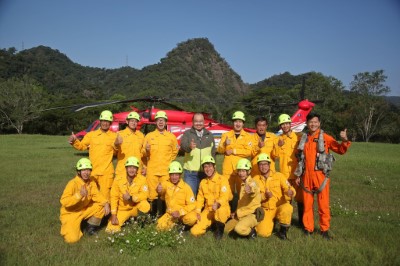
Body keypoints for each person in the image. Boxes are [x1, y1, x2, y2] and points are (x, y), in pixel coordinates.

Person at [295, 113, 351, 240]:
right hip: (306, 176)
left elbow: (340, 150)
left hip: (321, 176)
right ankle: (308, 228)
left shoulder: (325, 137)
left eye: (315, 122)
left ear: (319, 123)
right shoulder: (303, 138)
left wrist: (345, 140)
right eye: (310, 122)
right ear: (307, 123)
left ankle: (324, 230)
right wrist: (298, 175)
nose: (313, 124)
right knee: (307, 205)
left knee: (323, 204)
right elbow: (299, 158)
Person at [68, 110, 120, 200]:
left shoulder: (114, 136)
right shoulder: (91, 135)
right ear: (100, 121)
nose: (105, 123)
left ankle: (106, 214)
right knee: (91, 197)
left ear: (110, 123)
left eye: (107, 121)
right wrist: (74, 141)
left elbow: (116, 153)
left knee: (105, 198)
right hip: (92, 172)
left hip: (106, 173)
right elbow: (81, 146)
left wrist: (116, 145)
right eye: (103, 121)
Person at [60, 158, 110, 243]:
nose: (86, 173)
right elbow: (64, 201)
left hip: (84, 210)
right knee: (72, 240)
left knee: (101, 205)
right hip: (71, 214)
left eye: (88, 170)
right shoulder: (72, 184)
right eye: (83, 170)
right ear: (78, 172)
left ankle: (90, 228)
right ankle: (68, 225)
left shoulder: (91, 182)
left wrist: (106, 203)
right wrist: (79, 195)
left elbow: (97, 195)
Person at [142, 111, 179, 217]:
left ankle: (163, 216)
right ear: (155, 122)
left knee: (164, 193)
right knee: (152, 194)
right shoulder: (149, 136)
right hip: (152, 170)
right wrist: (146, 150)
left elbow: (175, 151)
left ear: (166, 122)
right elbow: (143, 153)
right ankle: (152, 216)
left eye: (163, 120)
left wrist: (168, 161)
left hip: (165, 171)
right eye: (159, 120)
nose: (161, 122)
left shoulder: (171, 137)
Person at [254, 153, 295, 240]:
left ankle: (282, 232)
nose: (263, 167)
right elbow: (254, 197)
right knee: (263, 233)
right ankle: (271, 222)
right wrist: (264, 196)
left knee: (287, 208)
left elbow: (288, 188)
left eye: (265, 164)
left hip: (279, 206)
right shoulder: (255, 180)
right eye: (260, 164)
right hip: (266, 209)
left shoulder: (279, 176)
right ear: (258, 166)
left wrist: (290, 192)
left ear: (269, 165)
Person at [217, 111, 252, 212]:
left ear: (243, 123)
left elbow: (248, 151)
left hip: (242, 170)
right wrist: (224, 144)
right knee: (228, 192)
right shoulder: (226, 135)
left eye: (240, 121)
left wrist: (234, 151)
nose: (238, 123)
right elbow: (219, 150)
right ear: (233, 122)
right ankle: (229, 212)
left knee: (243, 191)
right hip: (228, 169)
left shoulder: (247, 136)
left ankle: (242, 212)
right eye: (236, 121)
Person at [272, 114, 303, 227]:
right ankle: (286, 221)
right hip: (285, 175)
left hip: (297, 174)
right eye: (282, 124)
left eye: (286, 124)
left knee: (300, 199)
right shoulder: (278, 139)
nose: (285, 126)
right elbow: (274, 156)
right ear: (280, 126)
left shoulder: (298, 138)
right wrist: (278, 146)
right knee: (286, 198)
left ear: (290, 124)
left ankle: (301, 222)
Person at [105, 156, 150, 233]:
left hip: (135, 207)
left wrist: (131, 198)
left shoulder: (142, 179)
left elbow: (145, 194)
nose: (131, 170)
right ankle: (125, 219)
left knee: (145, 205)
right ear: (126, 168)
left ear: (137, 169)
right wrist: (113, 214)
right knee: (111, 229)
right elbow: (114, 197)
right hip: (123, 209)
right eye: (129, 167)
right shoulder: (118, 180)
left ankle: (140, 223)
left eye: (134, 168)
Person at [190, 156, 231, 240]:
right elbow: (200, 198)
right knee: (194, 231)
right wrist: (197, 211)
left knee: (220, 212)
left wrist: (218, 203)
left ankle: (219, 231)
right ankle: (211, 225)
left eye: (210, 166)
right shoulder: (203, 182)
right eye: (205, 167)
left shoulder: (222, 179)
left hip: (221, 208)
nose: (208, 169)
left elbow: (225, 195)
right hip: (208, 210)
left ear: (214, 167)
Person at [224, 159, 262, 239]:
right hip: (242, 214)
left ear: (248, 171)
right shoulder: (242, 184)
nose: (241, 173)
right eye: (239, 171)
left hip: (252, 214)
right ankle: (241, 228)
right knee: (226, 229)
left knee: (239, 229)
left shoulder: (252, 182)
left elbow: (254, 190)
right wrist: (236, 212)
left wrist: (251, 191)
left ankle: (251, 232)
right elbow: (242, 202)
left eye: (243, 171)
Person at [180, 113, 216, 196]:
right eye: (196, 121)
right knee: (190, 197)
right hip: (190, 173)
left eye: (200, 121)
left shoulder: (209, 135)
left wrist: (213, 167)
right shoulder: (187, 134)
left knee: (205, 197)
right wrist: (189, 147)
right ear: (192, 122)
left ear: (204, 122)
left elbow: (213, 152)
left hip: (206, 172)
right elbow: (182, 147)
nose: (198, 123)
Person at [156, 161, 197, 231]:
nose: (174, 177)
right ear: (169, 175)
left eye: (176, 175)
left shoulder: (186, 187)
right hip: (171, 214)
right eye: (172, 175)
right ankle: (176, 224)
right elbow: (162, 188)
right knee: (159, 227)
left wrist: (180, 213)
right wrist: (158, 189)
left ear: (180, 175)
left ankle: (183, 225)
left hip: (183, 214)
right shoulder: (166, 184)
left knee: (192, 218)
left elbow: (192, 205)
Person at [114, 111, 145, 178]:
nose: (133, 123)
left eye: (135, 121)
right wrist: (116, 144)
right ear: (127, 122)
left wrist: (145, 167)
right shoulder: (120, 134)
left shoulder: (141, 135)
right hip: (123, 169)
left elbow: (143, 154)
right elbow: (113, 151)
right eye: (131, 121)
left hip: (137, 169)